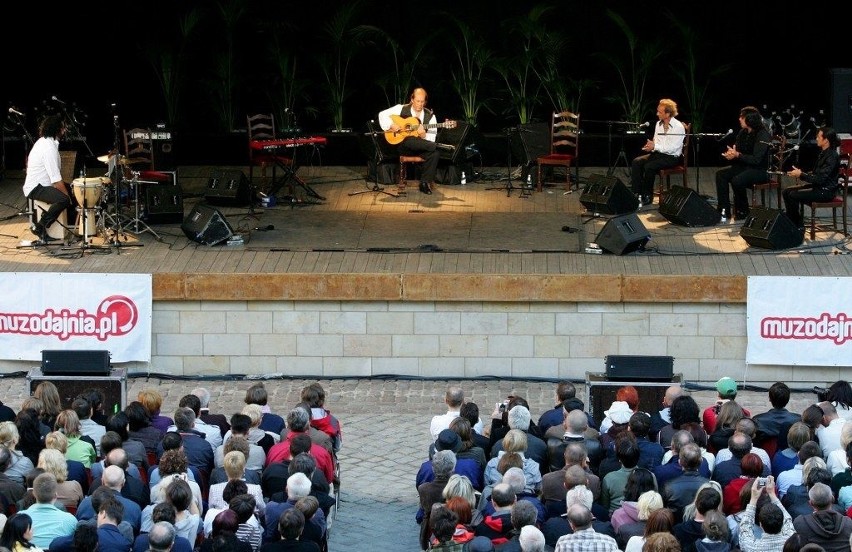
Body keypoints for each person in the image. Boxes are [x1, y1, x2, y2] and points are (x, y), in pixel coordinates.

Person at [377, 87, 443, 195]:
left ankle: (424, 183)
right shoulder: (401, 108)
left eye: (422, 102)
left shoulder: (430, 117)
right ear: (412, 99)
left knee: (435, 153)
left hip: (421, 147)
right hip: (404, 146)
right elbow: (382, 115)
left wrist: (423, 135)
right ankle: (438, 146)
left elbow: (431, 139)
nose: (420, 104)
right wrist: (391, 125)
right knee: (410, 139)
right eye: (417, 101)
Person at [22, 114, 74, 242]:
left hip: (43, 184)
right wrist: (67, 197)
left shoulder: (46, 142)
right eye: (63, 127)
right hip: (36, 187)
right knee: (64, 200)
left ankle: (71, 226)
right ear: (57, 129)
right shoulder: (48, 147)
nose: (64, 130)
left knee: (72, 190)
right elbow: (55, 179)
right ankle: (40, 226)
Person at [714, 105, 771, 220]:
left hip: (759, 170)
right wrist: (732, 155)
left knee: (737, 180)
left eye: (742, 117)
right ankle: (724, 210)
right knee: (720, 175)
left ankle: (743, 210)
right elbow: (738, 152)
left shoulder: (762, 134)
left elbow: (756, 159)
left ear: (750, 119)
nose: (739, 119)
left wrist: (738, 155)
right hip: (744, 167)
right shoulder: (743, 132)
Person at [783, 126, 842, 231]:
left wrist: (801, 175)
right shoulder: (824, 153)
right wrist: (801, 172)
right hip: (819, 187)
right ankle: (792, 221)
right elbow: (816, 174)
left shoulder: (832, 156)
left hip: (825, 191)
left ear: (826, 140)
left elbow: (820, 179)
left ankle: (797, 225)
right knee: (786, 191)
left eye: (819, 137)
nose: (816, 139)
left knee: (792, 195)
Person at [629, 98, 686, 206]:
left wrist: (656, 146)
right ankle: (636, 193)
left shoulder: (678, 127)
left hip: (671, 157)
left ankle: (647, 195)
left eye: (660, 112)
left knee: (649, 166)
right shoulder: (658, 124)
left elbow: (673, 148)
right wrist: (651, 147)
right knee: (637, 162)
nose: (657, 114)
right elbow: (656, 141)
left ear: (668, 113)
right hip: (658, 154)